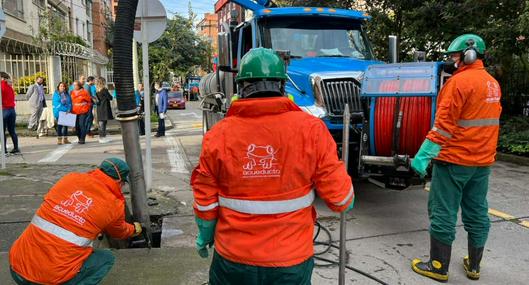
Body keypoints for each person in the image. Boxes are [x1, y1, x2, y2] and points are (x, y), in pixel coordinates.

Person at [191, 48, 355, 285]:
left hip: (233, 260)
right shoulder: (311, 130)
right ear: (282, 86)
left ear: (241, 89)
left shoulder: (218, 135)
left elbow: (205, 200)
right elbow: (341, 200)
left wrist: (205, 234)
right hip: (290, 262)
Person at [410, 34, 502, 282]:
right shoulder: (493, 83)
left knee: (443, 213)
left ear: (469, 55)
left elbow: (443, 126)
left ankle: (438, 267)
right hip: (481, 163)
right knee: (477, 212)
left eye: (455, 55)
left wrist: (423, 156)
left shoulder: (459, 83)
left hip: (454, 161)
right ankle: (474, 266)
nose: (452, 60)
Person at [9, 158, 143, 285]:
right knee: (106, 259)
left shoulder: (70, 179)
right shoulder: (113, 204)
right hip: (51, 279)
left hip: (17, 269)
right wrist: (134, 230)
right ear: (120, 182)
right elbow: (119, 232)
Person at [1, 72, 19, 154]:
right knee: (12, 131)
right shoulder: (10, 87)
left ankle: (4, 150)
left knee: (2, 131)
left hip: (4, 110)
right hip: (12, 110)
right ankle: (16, 148)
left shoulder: (1, 86)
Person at [96, 77, 114, 143]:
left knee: (101, 123)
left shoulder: (97, 90)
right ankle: (102, 137)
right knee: (103, 123)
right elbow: (110, 97)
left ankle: (102, 136)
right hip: (104, 108)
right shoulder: (104, 90)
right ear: (103, 82)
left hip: (99, 108)